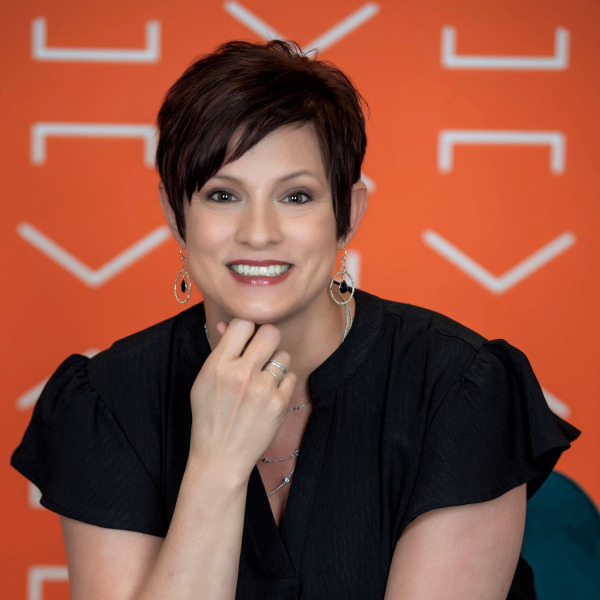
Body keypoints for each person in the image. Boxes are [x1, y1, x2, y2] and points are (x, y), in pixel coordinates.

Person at [12, 40, 578, 600]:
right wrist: (216, 465)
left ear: (347, 214)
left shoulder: (459, 388)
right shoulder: (108, 402)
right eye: (223, 195)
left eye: (297, 197)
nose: (258, 233)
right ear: (174, 213)